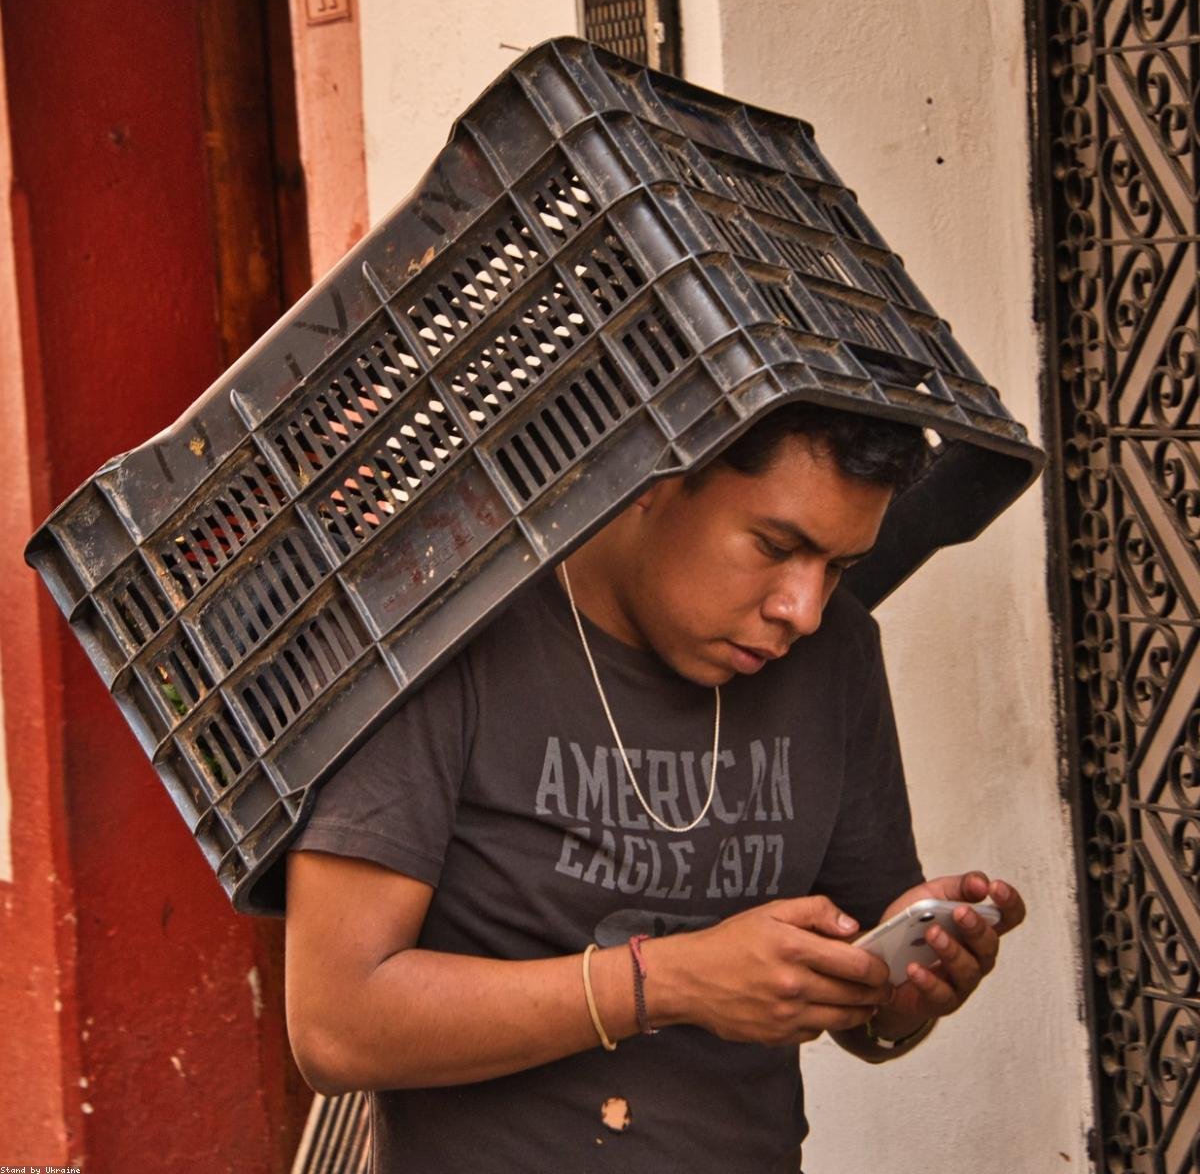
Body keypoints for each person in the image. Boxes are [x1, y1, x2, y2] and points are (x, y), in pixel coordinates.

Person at [284, 402, 1026, 1173]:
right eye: (776, 545)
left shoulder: (834, 654)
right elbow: (337, 1026)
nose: (801, 610)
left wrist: (902, 993)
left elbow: (862, 1019)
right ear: (650, 476)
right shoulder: (439, 633)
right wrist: (663, 982)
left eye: (837, 566)